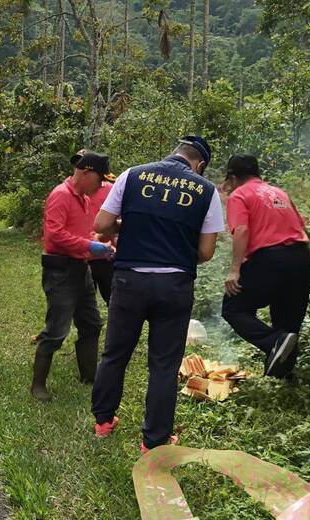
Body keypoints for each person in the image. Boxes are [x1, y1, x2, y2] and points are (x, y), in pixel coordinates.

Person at [92, 136, 225, 454]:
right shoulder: (207, 191)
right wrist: (174, 246)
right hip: (174, 286)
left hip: (129, 281)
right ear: (200, 165)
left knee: (115, 354)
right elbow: (206, 252)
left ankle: (103, 422)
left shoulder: (133, 175)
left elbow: (101, 225)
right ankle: (153, 442)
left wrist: (131, 229)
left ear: (175, 152)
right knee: (164, 365)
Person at [31, 150, 116, 402]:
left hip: (81, 269)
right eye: (99, 179)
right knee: (56, 330)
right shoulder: (61, 196)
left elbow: (85, 233)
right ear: (86, 172)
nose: (101, 186)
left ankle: (89, 375)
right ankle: (38, 385)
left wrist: (100, 244)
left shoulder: (84, 199)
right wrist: (90, 246)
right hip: (60, 271)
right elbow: (54, 235)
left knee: (91, 324)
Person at [220, 154, 310, 378]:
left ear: (232, 177)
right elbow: (300, 226)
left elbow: (241, 230)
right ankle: (284, 379)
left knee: (234, 307)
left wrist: (235, 270)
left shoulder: (239, 194)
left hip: (271, 259)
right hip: (301, 258)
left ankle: (273, 341)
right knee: (288, 321)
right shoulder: (279, 192)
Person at [87, 171, 116, 306]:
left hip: (106, 255)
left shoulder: (110, 189)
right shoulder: (72, 191)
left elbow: (118, 218)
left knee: (113, 299)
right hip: (82, 257)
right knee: (84, 303)